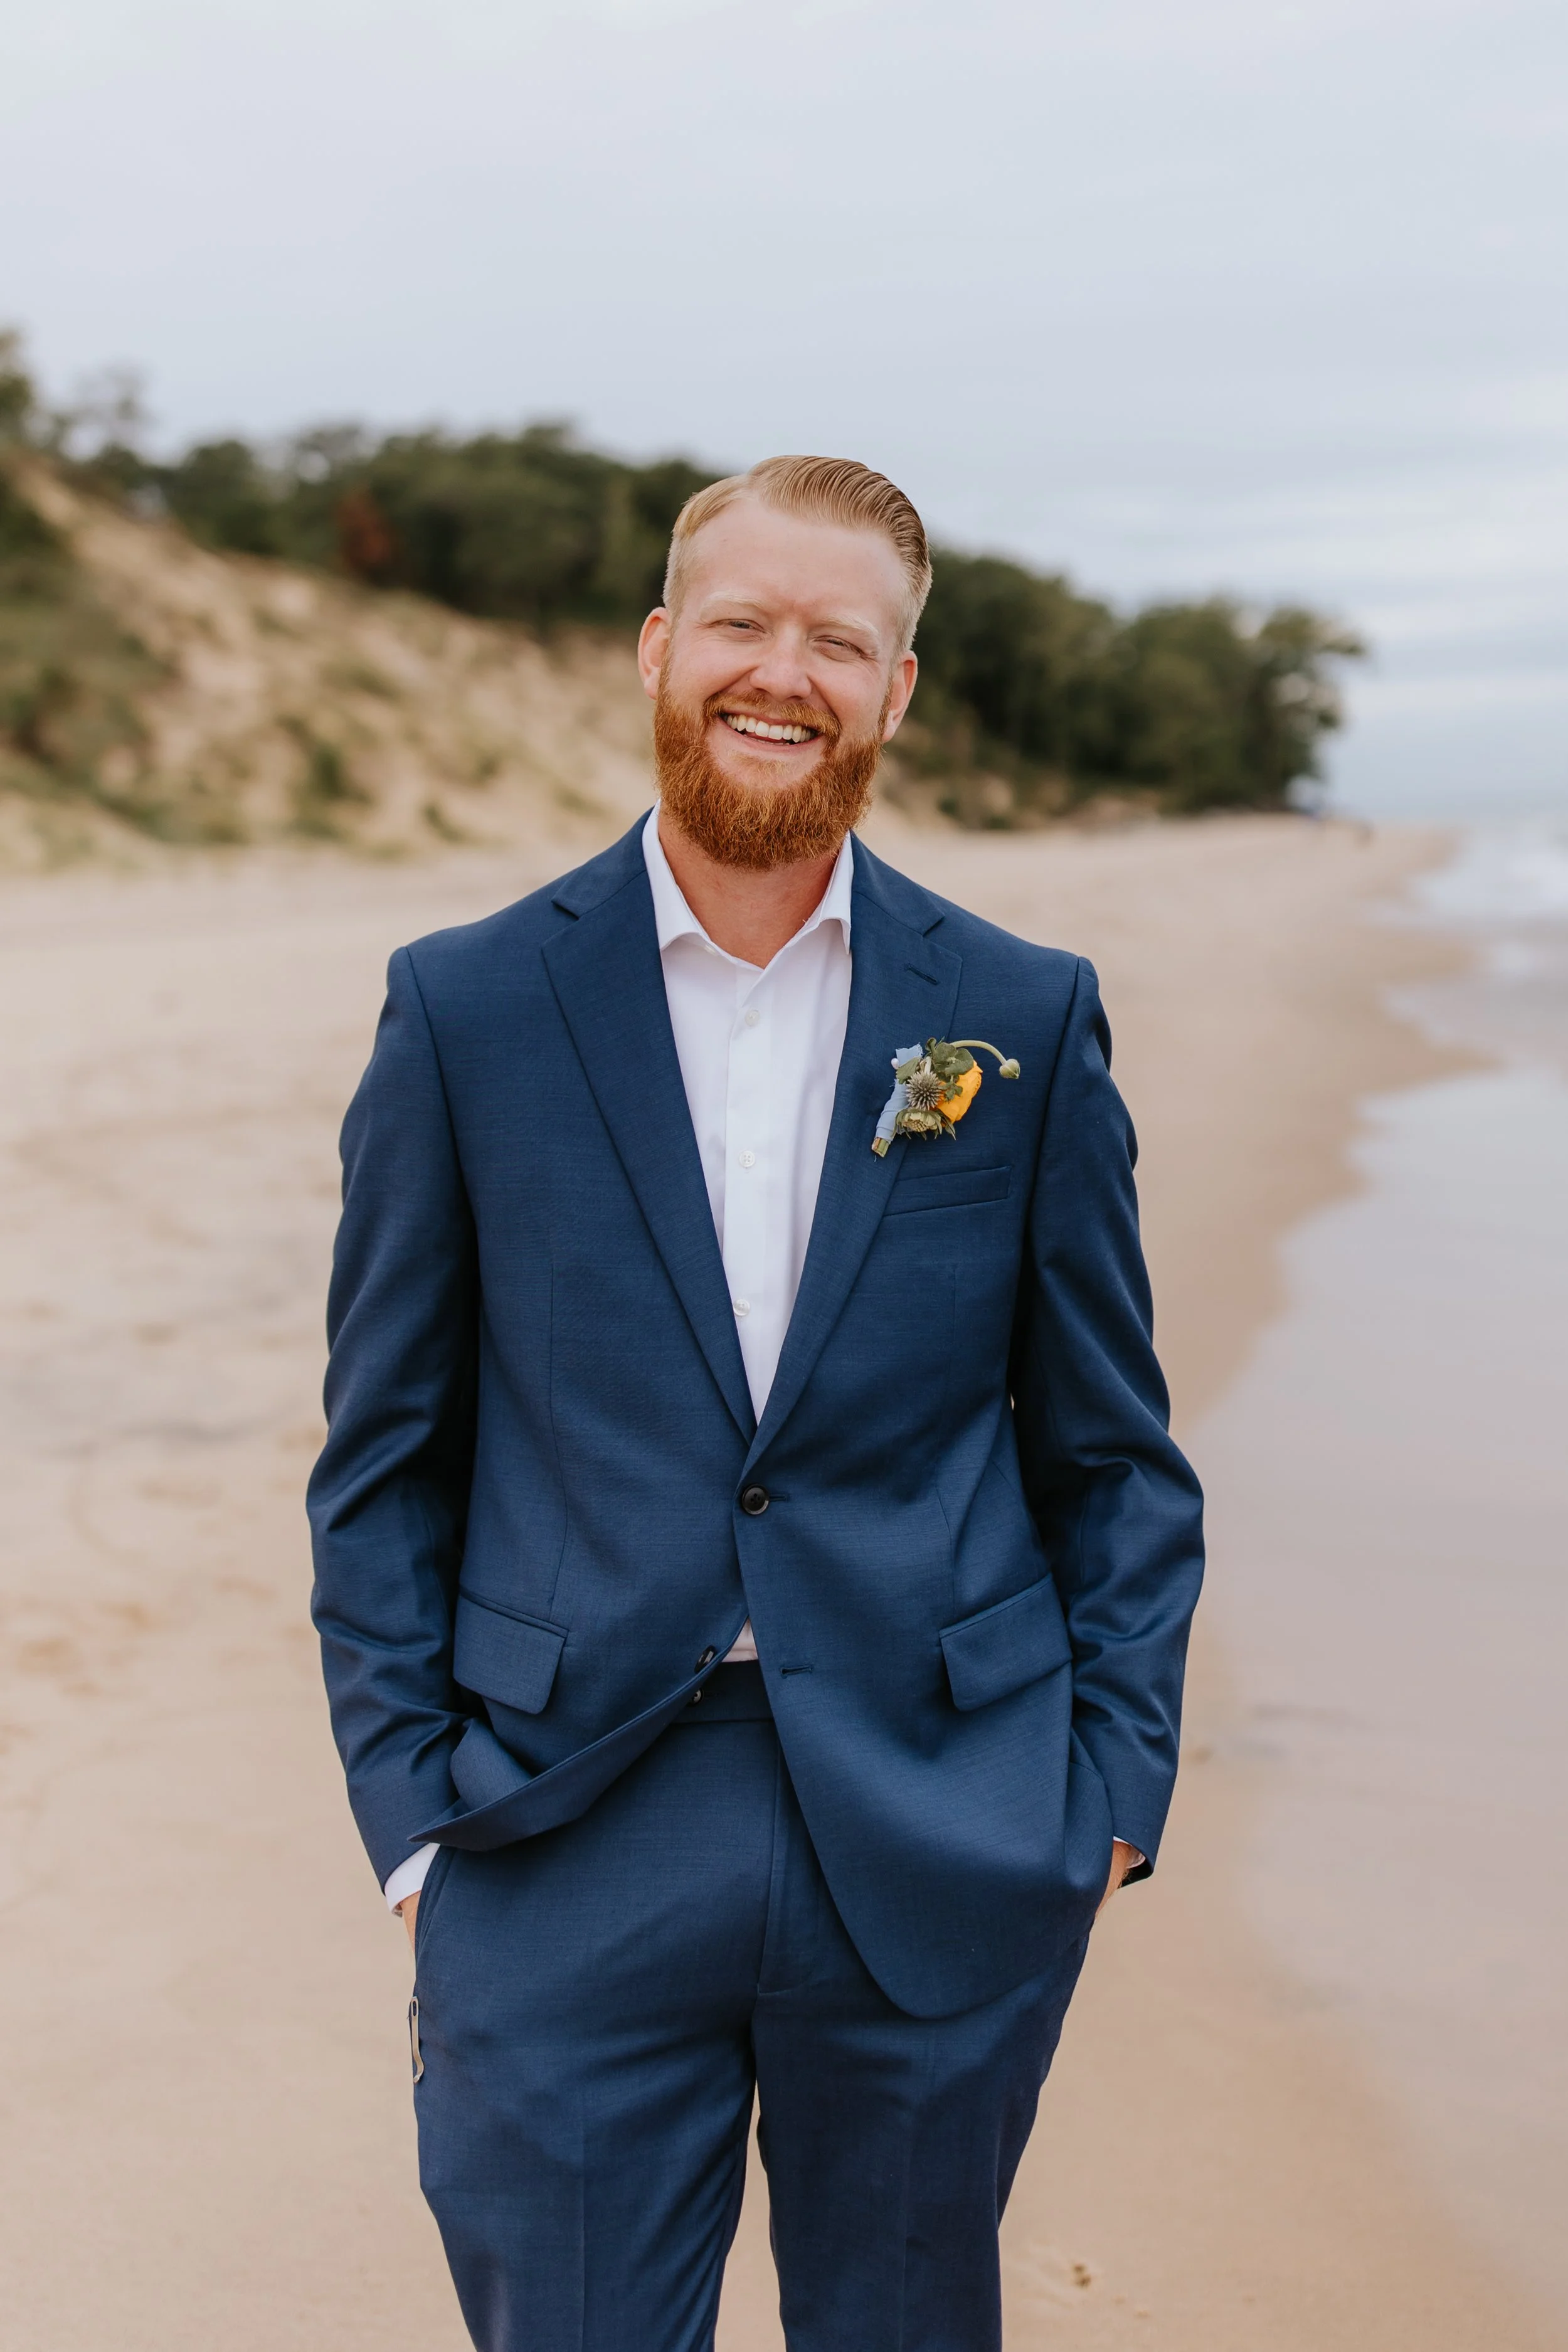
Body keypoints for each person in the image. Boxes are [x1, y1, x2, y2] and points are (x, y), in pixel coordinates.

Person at [309, 455, 1204, 2352]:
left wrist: (1106, 1794)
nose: (777, 672)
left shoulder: (1020, 1016)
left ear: (896, 690)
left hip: (938, 1816)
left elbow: (1111, 1446)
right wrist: (413, 1822)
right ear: (659, 647)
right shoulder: (464, 1007)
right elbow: (385, 1454)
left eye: (836, 639)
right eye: (738, 622)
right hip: (560, 1829)